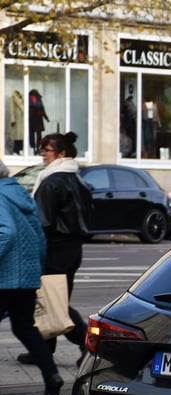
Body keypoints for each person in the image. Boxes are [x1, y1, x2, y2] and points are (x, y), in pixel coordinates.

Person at [17, 132, 91, 369]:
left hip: (54, 249)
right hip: (71, 248)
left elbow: (42, 221)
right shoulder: (76, 178)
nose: (42, 156)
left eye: (46, 151)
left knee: (54, 302)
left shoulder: (52, 181)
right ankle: (44, 349)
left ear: (61, 154)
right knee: (55, 298)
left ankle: (88, 344)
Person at [0, 159, 64, 395]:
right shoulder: (20, 193)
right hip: (26, 276)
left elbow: (6, 232)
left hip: (4, 278)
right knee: (26, 327)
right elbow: (39, 235)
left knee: (24, 327)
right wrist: (35, 267)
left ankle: (51, 376)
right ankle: (52, 376)